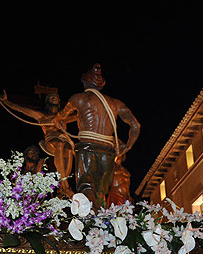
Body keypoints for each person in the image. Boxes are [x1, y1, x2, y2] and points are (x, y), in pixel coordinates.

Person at [53, 64, 140, 208]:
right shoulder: (116, 103)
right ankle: (101, 225)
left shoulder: (78, 99)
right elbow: (136, 125)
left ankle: (92, 224)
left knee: (87, 189)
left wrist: (59, 123)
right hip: (108, 152)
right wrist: (127, 146)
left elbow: (59, 117)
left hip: (88, 148)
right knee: (100, 192)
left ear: (84, 82)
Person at [0, 89, 75, 196]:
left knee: (69, 149)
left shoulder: (63, 116)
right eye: (51, 96)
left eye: (56, 97)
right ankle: (65, 186)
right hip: (51, 142)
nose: (55, 98)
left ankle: (63, 184)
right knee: (59, 144)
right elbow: (21, 109)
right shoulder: (41, 116)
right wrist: (5, 101)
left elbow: (78, 116)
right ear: (47, 101)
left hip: (65, 140)